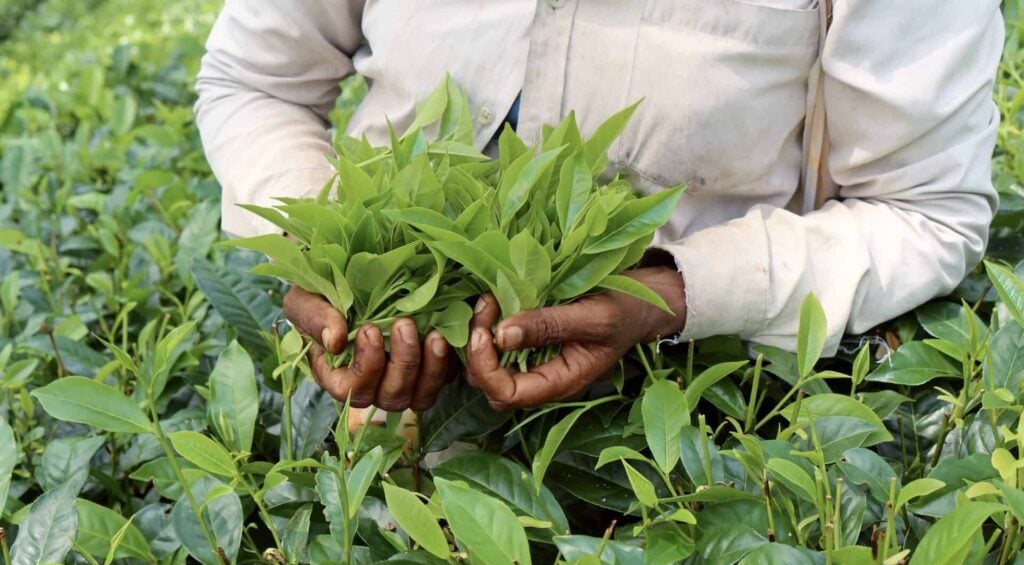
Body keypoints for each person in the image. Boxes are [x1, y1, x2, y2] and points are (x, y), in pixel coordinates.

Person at [195, 1, 1003, 412]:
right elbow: (256, 82)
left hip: (698, 428)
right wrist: (328, 253)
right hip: (378, 435)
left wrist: (668, 296)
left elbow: (927, 212)